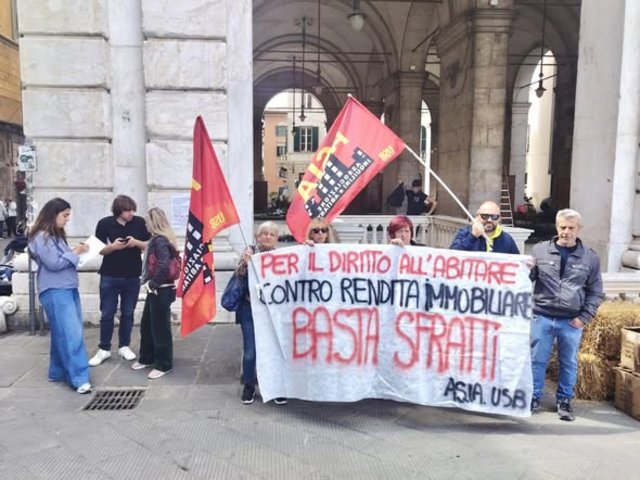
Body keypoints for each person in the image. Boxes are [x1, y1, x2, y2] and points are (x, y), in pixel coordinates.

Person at [529, 209, 604, 421]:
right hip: (542, 316)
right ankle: (533, 397)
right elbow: (527, 279)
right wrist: (524, 269)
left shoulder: (590, 258)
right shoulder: (540, 250)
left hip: (571, 321)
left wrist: (584, 318)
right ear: (556, 227)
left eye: (571, 228)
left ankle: (564, 401)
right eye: (562, 227)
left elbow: (595, 291)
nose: (566, 232)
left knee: (568, 362)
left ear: (579, 229)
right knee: (537, 360)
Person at [28, 198, 92, 394]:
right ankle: (80, 378)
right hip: (55, 289)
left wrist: (74, 253)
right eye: (65, 215)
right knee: (72, 334)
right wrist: (76, 252)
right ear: (53, 214)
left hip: (66, 287)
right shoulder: (41, 237)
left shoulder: (55, 236)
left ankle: (57, 372)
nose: (67, 219)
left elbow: (60, 260)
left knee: (61, 332)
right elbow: (54, 263)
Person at [89, 195, 151, 367]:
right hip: (110, 274)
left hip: (132, 275)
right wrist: (113, 247)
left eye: (132, 210)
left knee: (128, 312)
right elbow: (99, 250)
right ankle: (104, 348)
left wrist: (136, 242)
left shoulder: (139, 223)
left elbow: (150, 244)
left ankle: (124, 346)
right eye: (127, 211)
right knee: (107, 313)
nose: (131, 213)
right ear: (118, 211)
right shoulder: (105, 223)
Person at [235, 221, 286, 406]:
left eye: (272, 234)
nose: (268, 237)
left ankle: (277, 387)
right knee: (251, 351)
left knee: (275, 349)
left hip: (272, 311)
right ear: (258, 236)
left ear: (277, 238)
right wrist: (245, 262)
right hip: (249, 309)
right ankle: (249, 385)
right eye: (264, 233)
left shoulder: (282, 256)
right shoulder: (250, 252)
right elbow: (238, 274)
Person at [131, 208, 178, 379]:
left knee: (160, 328)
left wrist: (152, 283)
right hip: (159, 288)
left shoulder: (159, 241)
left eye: (147, 222)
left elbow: (163, 265)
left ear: (153, 222)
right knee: (148, 325)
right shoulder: (159, 240)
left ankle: (163, 364)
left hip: (161, 289)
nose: (145, 225)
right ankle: (147, 357)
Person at [449, 201, 519, 254]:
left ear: (499, 219)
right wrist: (472, 236)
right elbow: (452, 254)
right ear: (477, 216)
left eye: (494, 217)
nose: (489, 220)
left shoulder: (507, 239)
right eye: (485, 216)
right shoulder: (465, 233)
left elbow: (518, 262)